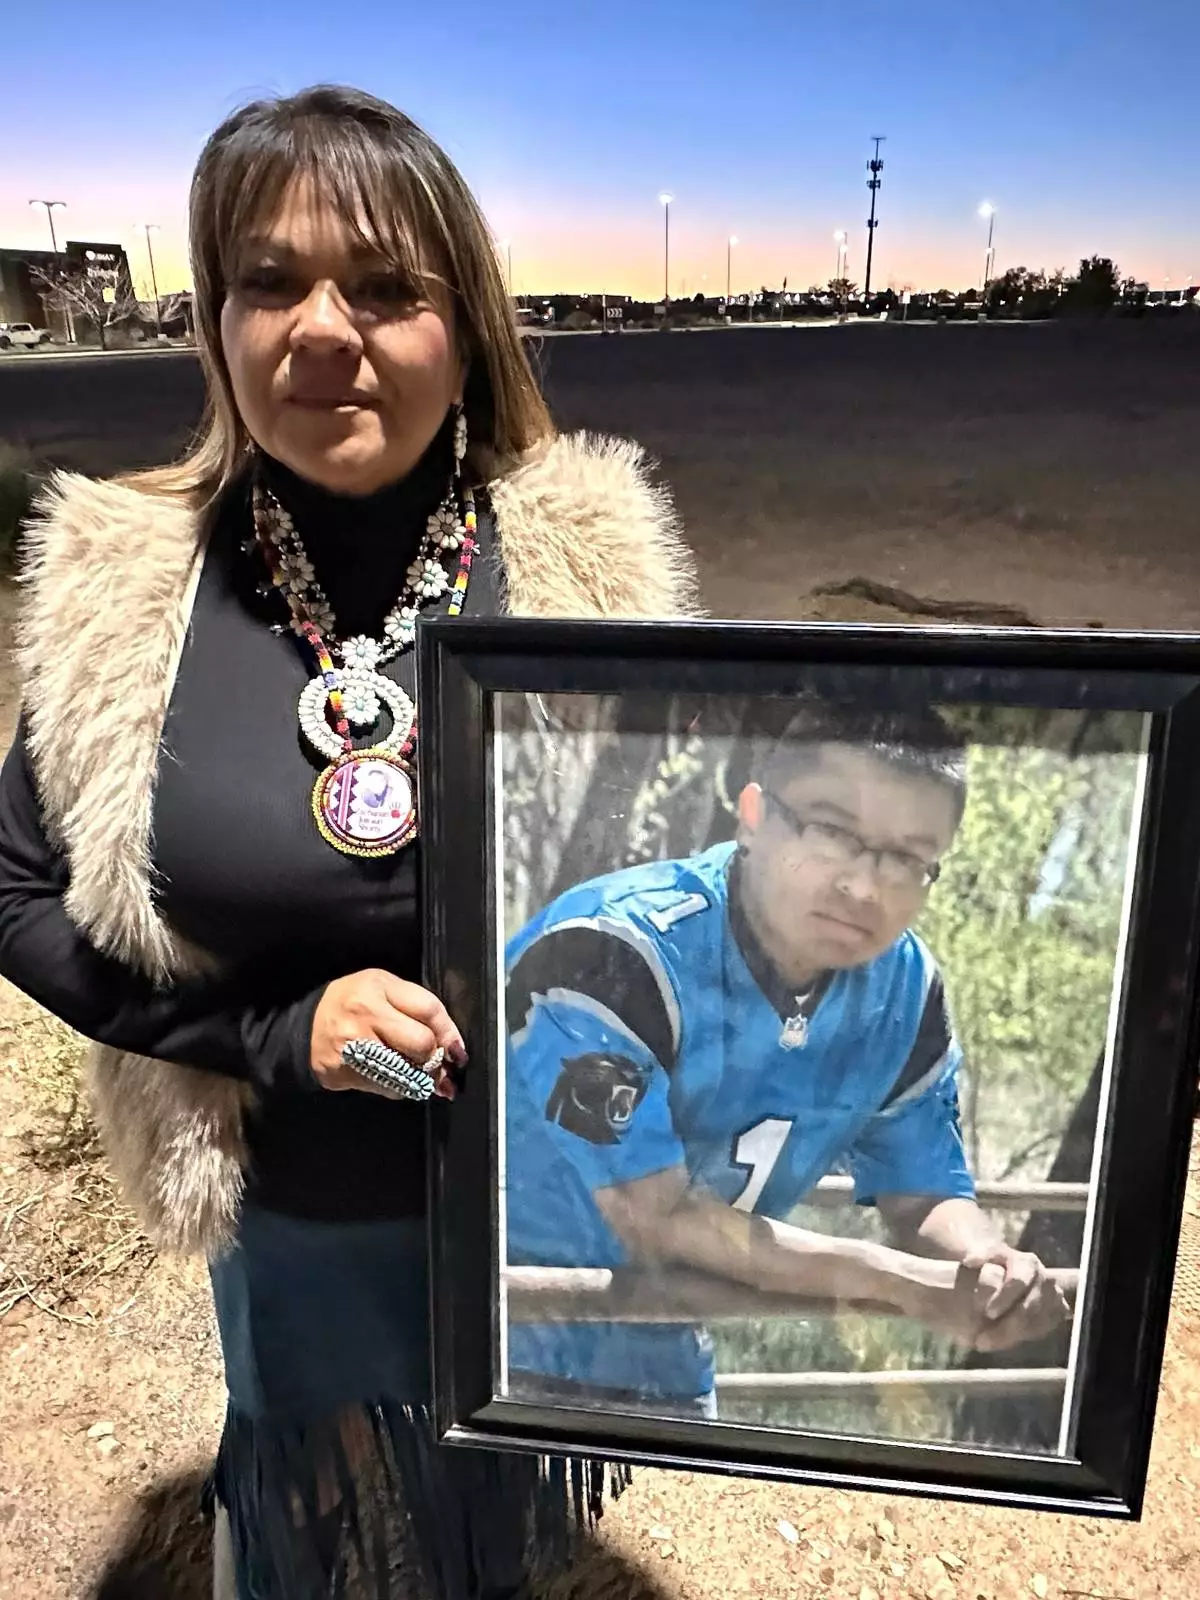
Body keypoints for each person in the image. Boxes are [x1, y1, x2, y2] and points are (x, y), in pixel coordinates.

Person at [0, 86, 699, 1599]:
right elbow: (15, 890)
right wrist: (267, 1034)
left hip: (538, 1198)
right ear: (218, 320)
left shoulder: (596, 566)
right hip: (297, 1211)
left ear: (468, 325)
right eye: (272, 281)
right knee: (319, 1525)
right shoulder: (120, 586)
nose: (324, 327)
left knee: (490, 1529)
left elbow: (696, 879)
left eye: (385, 286)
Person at [503, 703, 1071, 1416]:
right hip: (487, 1343)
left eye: (905, 859)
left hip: (666, 1359)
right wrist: (891, 1280)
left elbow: (924, 1195)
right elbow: (654, 1215)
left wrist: (988, 1262)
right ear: (752, 816)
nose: (863, 887)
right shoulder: (610, 952)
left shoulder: (905, 993)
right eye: (831, 832)